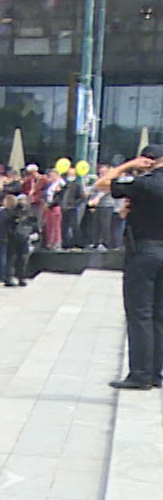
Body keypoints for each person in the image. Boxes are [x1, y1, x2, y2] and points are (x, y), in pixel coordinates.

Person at [102, 146, 163, 388]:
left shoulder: (143, 184)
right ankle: (157, 373)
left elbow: (102, 184)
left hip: (144, 252)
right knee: (160, 314)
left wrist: (127, 166)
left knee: (140, 314)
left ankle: (140, 374)